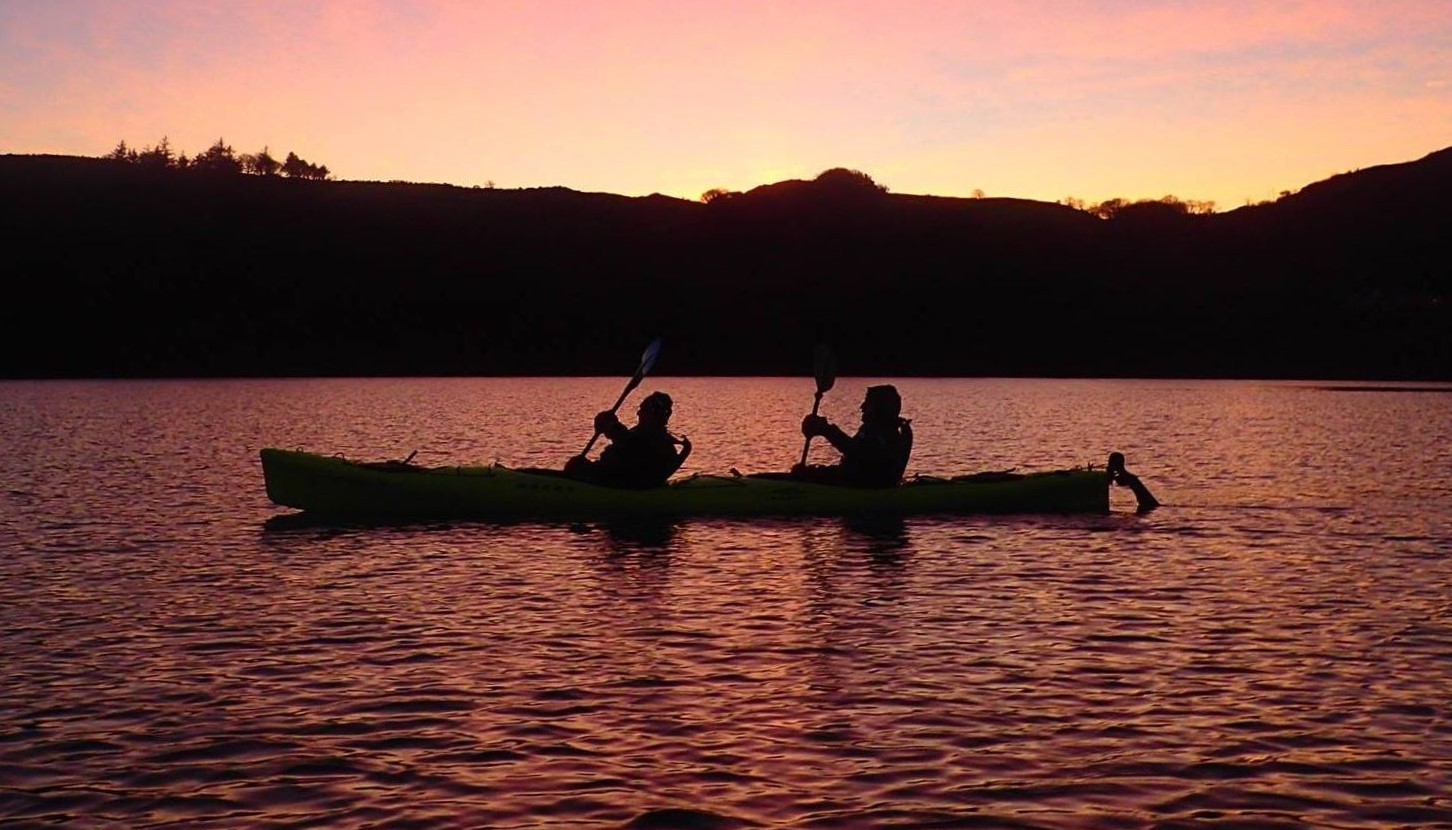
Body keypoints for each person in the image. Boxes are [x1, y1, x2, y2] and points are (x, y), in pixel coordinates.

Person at [564, 391, 691, 489]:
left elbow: (629, 443)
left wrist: (610, 425)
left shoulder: (655, 439)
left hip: (622, 483)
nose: (638, 413)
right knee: (576, 463)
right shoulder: (649, 434)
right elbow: (626, 439)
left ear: (652, 413)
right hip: (616, 477)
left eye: (642, 409)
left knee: (577, 465)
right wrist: (608, 423)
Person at [794, 384, 913, 487]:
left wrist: (826, 430)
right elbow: (854, 455)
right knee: (801, 471)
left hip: (866, 486)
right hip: (854, 480)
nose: (862, 407)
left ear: (879, 407)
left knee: (805, 474)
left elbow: (857, 452)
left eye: (868, 402)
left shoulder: (887, 434)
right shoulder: (871, 428)